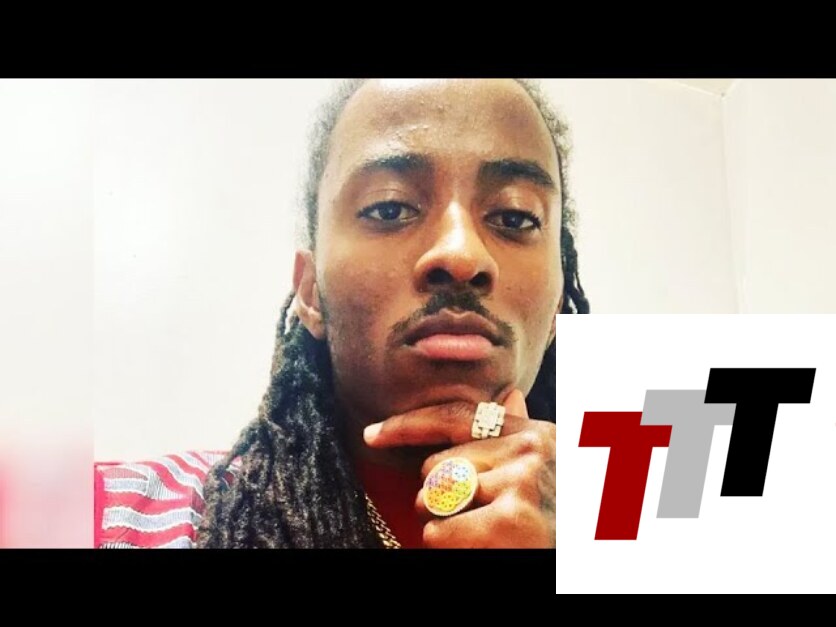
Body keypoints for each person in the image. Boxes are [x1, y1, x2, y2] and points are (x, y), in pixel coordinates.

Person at [94, 78, 590, 549]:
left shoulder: (626, 535)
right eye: (389, 209)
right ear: (310, 291)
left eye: (514, 217)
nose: (461, 255)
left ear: (555, 310)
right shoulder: (114, 515)